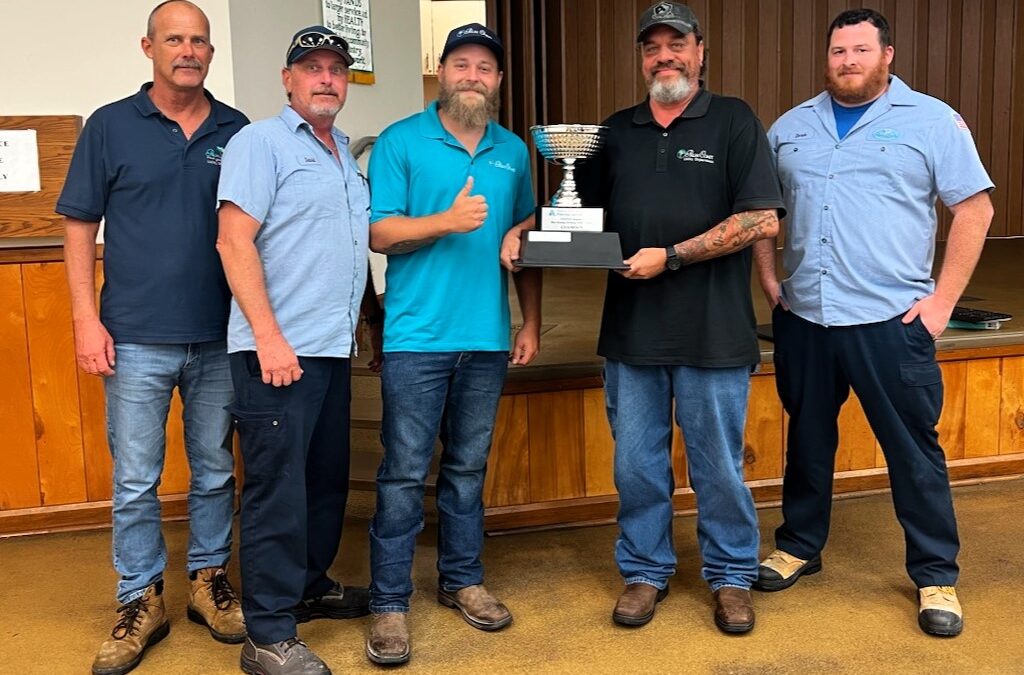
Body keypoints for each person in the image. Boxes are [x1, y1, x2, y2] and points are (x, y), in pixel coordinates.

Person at [752, 8, 993, 638]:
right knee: (807, 438)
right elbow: (763, 209)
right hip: (806, 317)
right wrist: (770, 279)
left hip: (891, 321)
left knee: (913, 452)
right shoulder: (791, 127)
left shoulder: (933, 121)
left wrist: (941, 303)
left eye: (861, 49)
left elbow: (975, 208)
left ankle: (936, 574)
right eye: (837, 51)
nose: (847, 60)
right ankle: (800, 544)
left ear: (887, 54)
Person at [576, 1, 784, 634]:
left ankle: (730, 576)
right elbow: (576, 212)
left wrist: (670, 257)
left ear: (700, 52)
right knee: (635, 464)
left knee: (718, 465)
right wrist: (526, 232)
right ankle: (644, 570)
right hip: (632, 334)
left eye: (677, 43)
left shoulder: (734, 121)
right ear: (642, 58)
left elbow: (761, 219)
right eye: (652, 46)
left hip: (713, 333)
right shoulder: (614, 131)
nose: (664, 55)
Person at [56, 2, 249, 673]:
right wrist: (86, 318)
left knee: (216, 469)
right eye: (175, 39)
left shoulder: (238, 129)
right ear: (149, 47)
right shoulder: (110, 127)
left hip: (222, 334)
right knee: (136, 479)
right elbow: (79, 226)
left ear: (210, 52)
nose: (188, 50)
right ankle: (140, 596)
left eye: (199, 40)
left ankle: (207, 580)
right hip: (134, 335)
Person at [363, 22, 541, 666]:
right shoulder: (401, 141)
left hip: (488, 336)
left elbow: (523, 230)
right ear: (441, 72)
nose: (473, 75)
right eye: (461, 64)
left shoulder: (513, 151)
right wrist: (446, 221)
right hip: (416, 337)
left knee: (467, 469)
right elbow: (380, 235)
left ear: (497, 80)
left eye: (485, 68)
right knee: (404, 473)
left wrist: (529, 321)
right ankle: (388, 599)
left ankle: (462, 580)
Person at [216, 25, 382, 675]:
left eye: (336, 69)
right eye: (311, 67)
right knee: (277, 491)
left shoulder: (343, 152)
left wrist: (369, 321)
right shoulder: (260, 142)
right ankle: (267, 633)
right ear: (287, 79)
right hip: (275, 351)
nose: (325, 78)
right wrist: (268, 336)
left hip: (330, 348)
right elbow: (234, 241)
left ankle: (309, 584)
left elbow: (349, 249)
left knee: (323, 480)